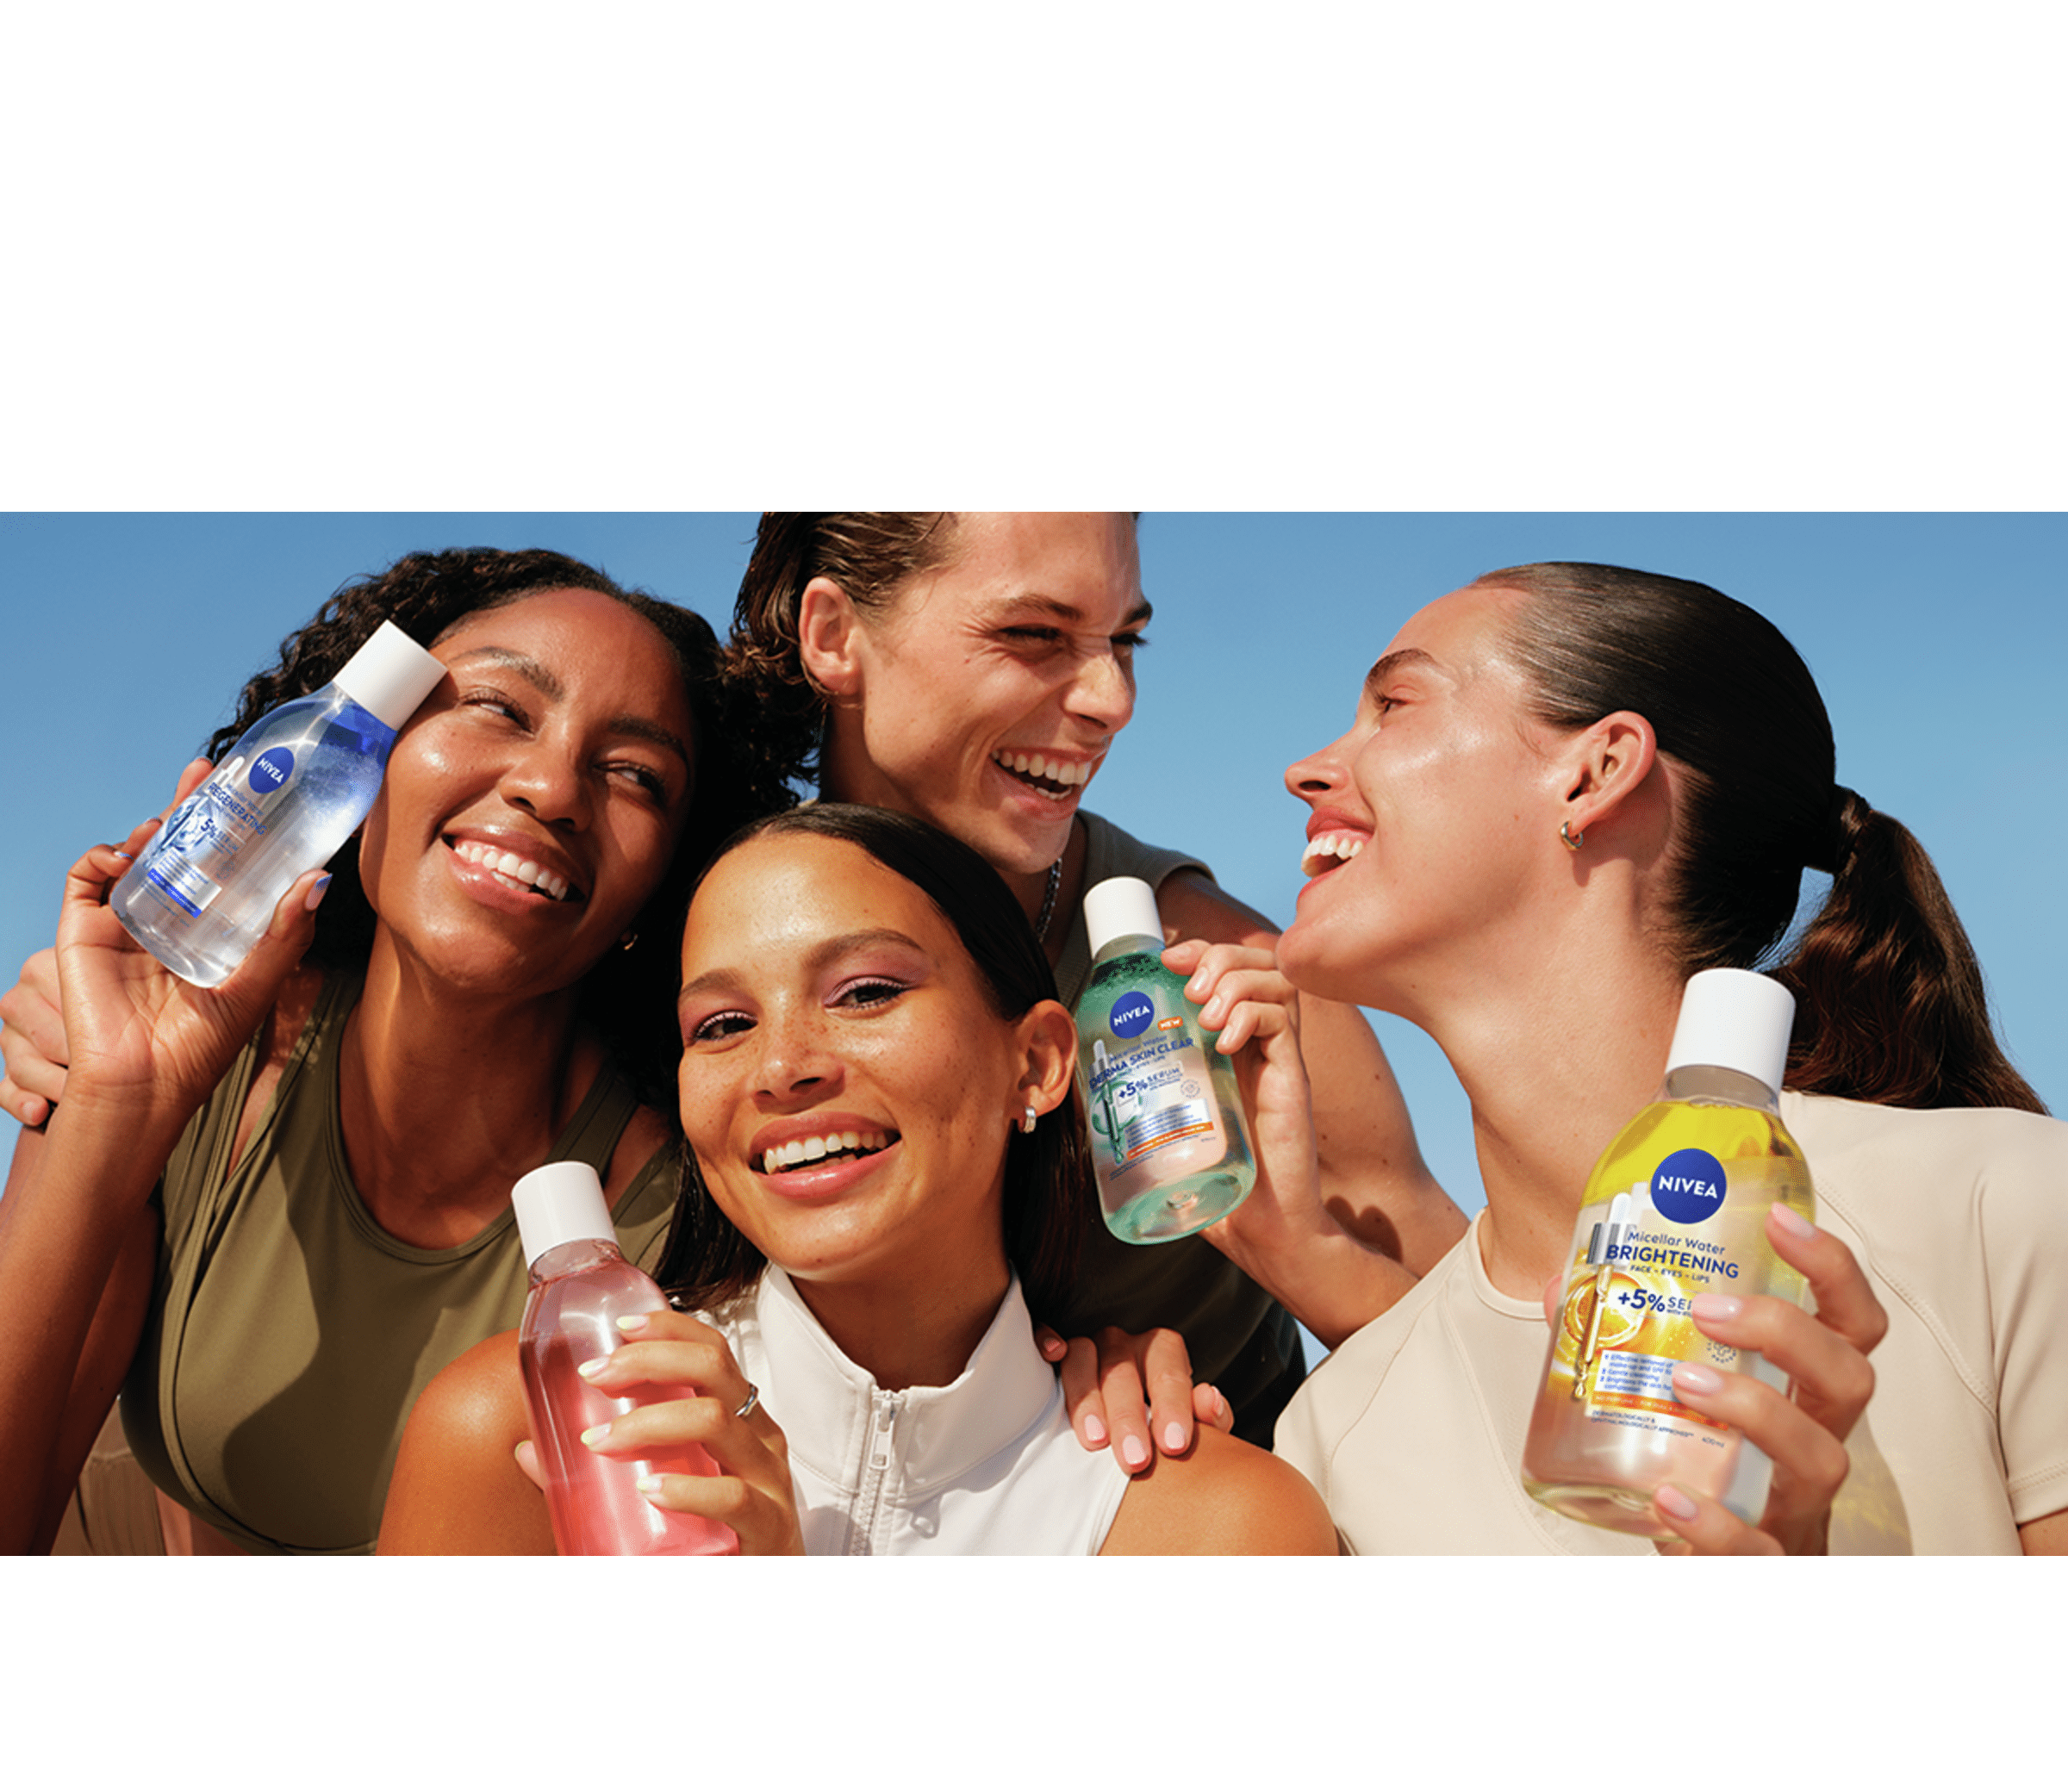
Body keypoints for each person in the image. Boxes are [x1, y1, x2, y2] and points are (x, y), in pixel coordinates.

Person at [1183, 561, 2066, 1553]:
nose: (1306, 769)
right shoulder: (1334, 1437)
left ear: (1599, 771)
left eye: (1394, 703)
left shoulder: (2005, 1209)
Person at [0, 548, 807, 1556]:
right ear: (353, 755)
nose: (553, 787)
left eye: (636, 773)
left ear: (665, 889)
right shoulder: (197, 1060)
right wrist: (115, 1107)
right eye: (500, 709)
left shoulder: (677, 1215)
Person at [377, 805, 1338, 1555]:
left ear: (1041, 1063)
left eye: (867, 992)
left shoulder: (1215, 1523)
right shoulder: (533, 1433)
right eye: (720, 1025)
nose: (782, 1065)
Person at [724, 513, 1465, 1457]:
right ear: (835, 637)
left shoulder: (1213, 970)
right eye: (1034, 635)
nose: (1112, 698)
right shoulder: (707, 930)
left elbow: (1469, 1356)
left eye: (1124, 641)